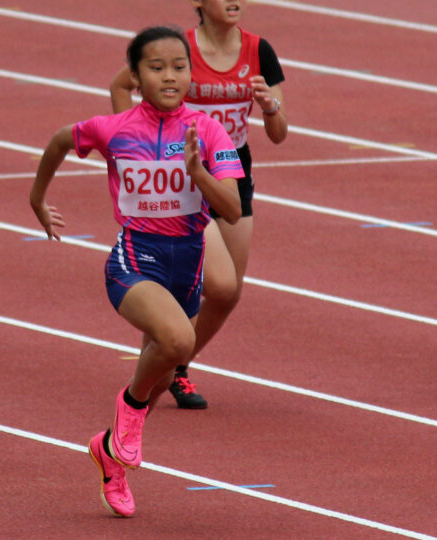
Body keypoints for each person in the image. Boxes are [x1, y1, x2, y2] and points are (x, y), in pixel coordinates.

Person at [30, 26, 243, 517]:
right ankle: (129, 412)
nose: (169, 76)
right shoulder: (115, 127)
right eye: (156, 67)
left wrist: (199, 172)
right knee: (178, 342)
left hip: (186, 266)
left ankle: (109, 451)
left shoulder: (208, 131)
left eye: (179, 66)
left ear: (191, 72)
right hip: (135, 258)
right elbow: (62, 140)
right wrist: (37, 198)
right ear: (134, 75)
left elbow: (230, 209)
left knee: (166, 368)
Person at [110, 0, 288, 409]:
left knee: (227, 293)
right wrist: (134, 144)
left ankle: (174, 365)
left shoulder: (258, 50)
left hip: (230, 172)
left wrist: (270, 107)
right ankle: (158, 371)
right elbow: (121, 85)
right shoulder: (176, 49)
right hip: (181, 177)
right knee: (195, 280)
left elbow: (279, 133)